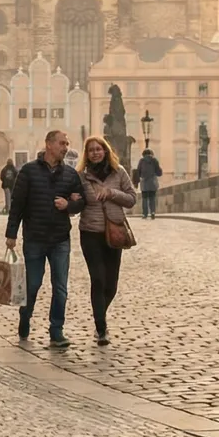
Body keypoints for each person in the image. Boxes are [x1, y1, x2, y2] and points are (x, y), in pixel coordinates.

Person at [5, 130, 86, 348]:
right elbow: (17, 204)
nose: (65, 147)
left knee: (60, 287)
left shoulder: (70, 174)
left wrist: (69, 205)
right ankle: (25, 316)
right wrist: (11, 234)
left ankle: (56, 330)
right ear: (49, 144)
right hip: (35, 238)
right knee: (33, 284)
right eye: (62, 143)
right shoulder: (28, 171)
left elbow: (81, 202)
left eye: (67, 144)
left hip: (60, 239)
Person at [77, 136, 138, 345]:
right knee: (98, 279)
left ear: (105, 151)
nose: (95, 153)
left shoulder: (118, 172)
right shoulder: (82, 176)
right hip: (90, 232)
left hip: (114, 232)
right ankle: (101, 329)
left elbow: (132, 199)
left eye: (98, 149)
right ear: (87, 154)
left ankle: (99, 315)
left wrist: (111, 193)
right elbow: (76, 202)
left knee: (111, 285)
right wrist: (73, 201)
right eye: (91, 150)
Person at [136, 147, 163, 219]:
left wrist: (140, 177)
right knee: (152, 198)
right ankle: (153, 212)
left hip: (144, 182)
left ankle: (144, 214)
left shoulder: (141, 161)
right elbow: (159, 172)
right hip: (152, 182)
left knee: (144, 199)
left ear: (143, 154)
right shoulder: (154, 160)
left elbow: (138, 171)